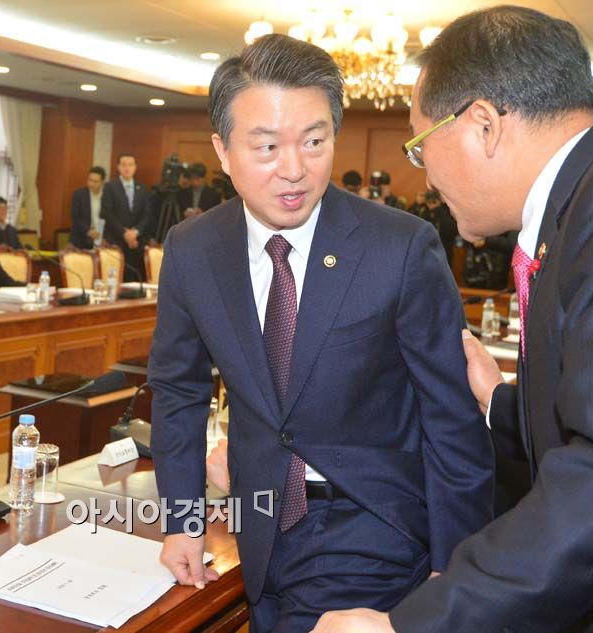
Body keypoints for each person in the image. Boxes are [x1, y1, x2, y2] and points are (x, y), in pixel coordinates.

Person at [314, 6, 593, 633]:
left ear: (482, 124)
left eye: (420, 144)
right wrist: (498, 405)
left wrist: (413, 624)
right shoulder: (583, 206)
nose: (425, 177)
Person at [149, 34, 493, 633]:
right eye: (266, 147)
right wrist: (184, 518)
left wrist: (455, 565)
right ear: (222, 150)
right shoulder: (193, 248)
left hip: (371, 526)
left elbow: (450, 415)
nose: (294, 169)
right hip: (259, 523)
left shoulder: (399, 247)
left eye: (314, 141)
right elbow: (179, 389)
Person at [101, 153, 153, 282]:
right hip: (116, 241)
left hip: (137, 243)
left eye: (130, 165)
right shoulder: (110, 187)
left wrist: (135, 232)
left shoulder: (142, 188)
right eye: (124, 165)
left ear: (135, 167)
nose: (127, 168)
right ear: (118, 167)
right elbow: (107, 213)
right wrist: (124, 233)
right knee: (116, 279)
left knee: (135, 279)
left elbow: (147, 214)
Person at [69, 166, 106, 249]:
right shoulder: (79, 194)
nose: (91, 184)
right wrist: (88, 231)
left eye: (95, 181)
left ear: (102, 182)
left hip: (100, 239)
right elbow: (75, 216)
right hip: (80, 239)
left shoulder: (107, 196)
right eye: (90, 180)